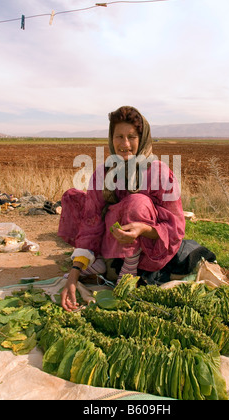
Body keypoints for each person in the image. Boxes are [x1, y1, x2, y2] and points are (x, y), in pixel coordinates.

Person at [58, 106, 185, 311]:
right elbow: (91, 221)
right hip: (113, 237)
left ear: (142, 138)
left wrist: (143, 229)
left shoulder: (160, 173)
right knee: (74, 199)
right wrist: (73, 275)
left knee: (136, 202)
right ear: (111, 138)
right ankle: (100, 260)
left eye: (132, 137)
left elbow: (175, 228)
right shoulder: (104, 172)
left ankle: (128, 268)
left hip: (147, 246)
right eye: (119, 136)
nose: (125, 144)